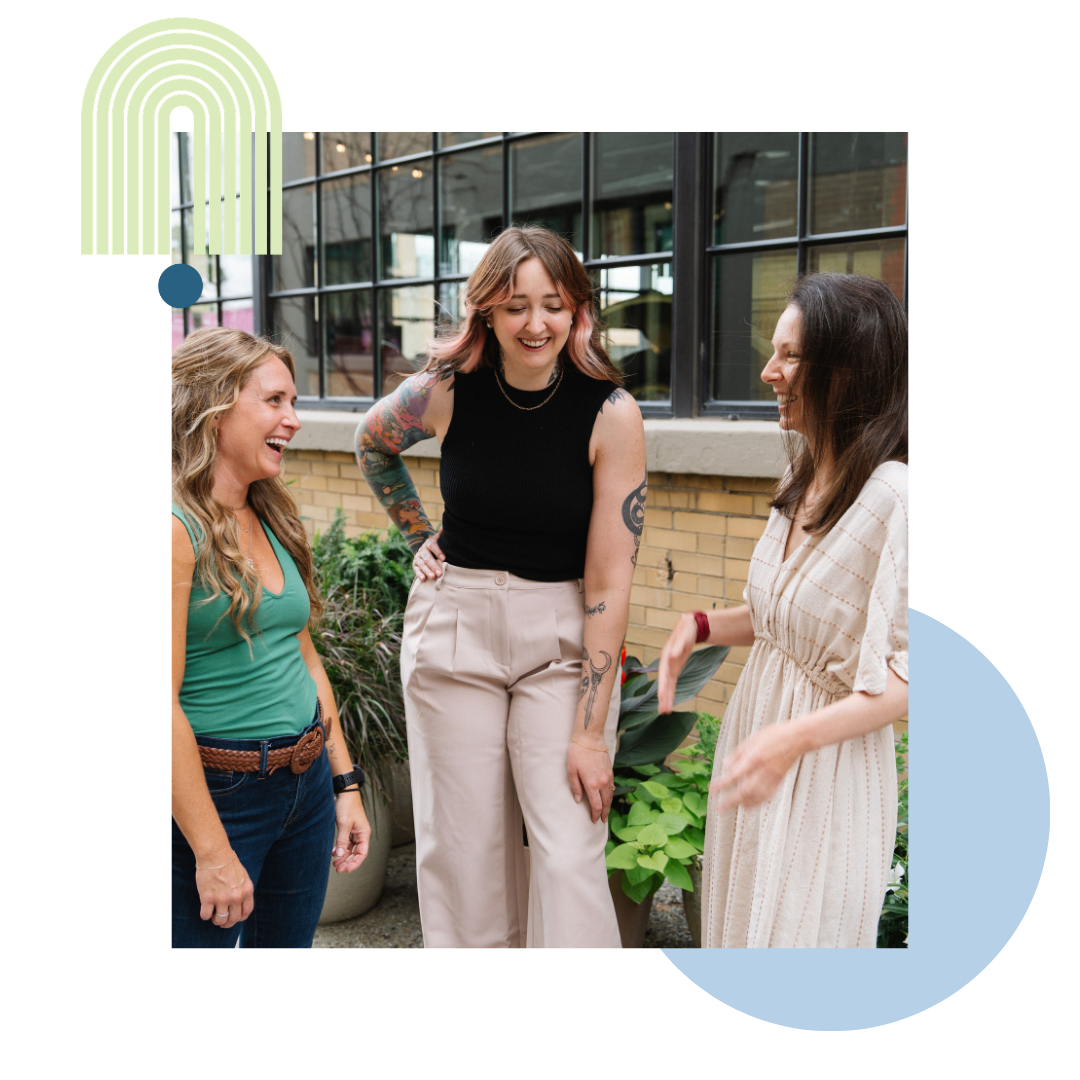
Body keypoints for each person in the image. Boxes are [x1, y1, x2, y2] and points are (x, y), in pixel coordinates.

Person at [355, 225, 646, 947]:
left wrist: (590, 733)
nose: (536, 323)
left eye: (554, 304)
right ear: (486, 309)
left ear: (578, 309)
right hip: (455, 624)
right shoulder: (445, 391)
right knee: (463, 851)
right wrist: (418, 534)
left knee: (571, 851)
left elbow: (611, 577)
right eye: (516, 305)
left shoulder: (611, 413)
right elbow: (372, 443)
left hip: (563, 635)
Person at [658, 272, 908, 948]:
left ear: (849, 369)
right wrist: (702, 625)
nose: (770, 372)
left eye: (791, 356)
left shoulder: (895, 497)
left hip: (824, 770)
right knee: (742, 933)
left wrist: (792, 739)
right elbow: (782, 619)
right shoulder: (805, 474)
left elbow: (910, 676)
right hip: (761, 740)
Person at [172, 327, 371, 948]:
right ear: (212, 406)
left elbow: (305, 659)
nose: (294, 419)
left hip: (305, 786)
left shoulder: (270, 511)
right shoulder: (171, 531)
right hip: (217, 795)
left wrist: (345, 784)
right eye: (275, 401)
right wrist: (211, 852)